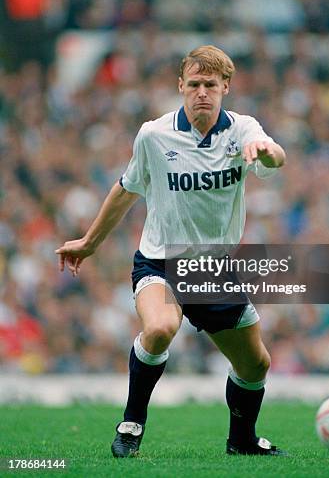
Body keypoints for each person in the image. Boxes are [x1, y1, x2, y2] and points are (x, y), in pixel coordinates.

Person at [56, 45, 287, 458]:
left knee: (256, 365)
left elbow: (275, 156)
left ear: (225, 88)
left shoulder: (243, 131)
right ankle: (131, 424)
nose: (202, 92)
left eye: (211, 85)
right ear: (180, 86)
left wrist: (268, 151)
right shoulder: (154, 134)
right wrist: (89, 242)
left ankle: (242, 441)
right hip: (160, 261)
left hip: (213, 271)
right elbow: (126, 190)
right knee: (160, 328)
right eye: (194, 84)